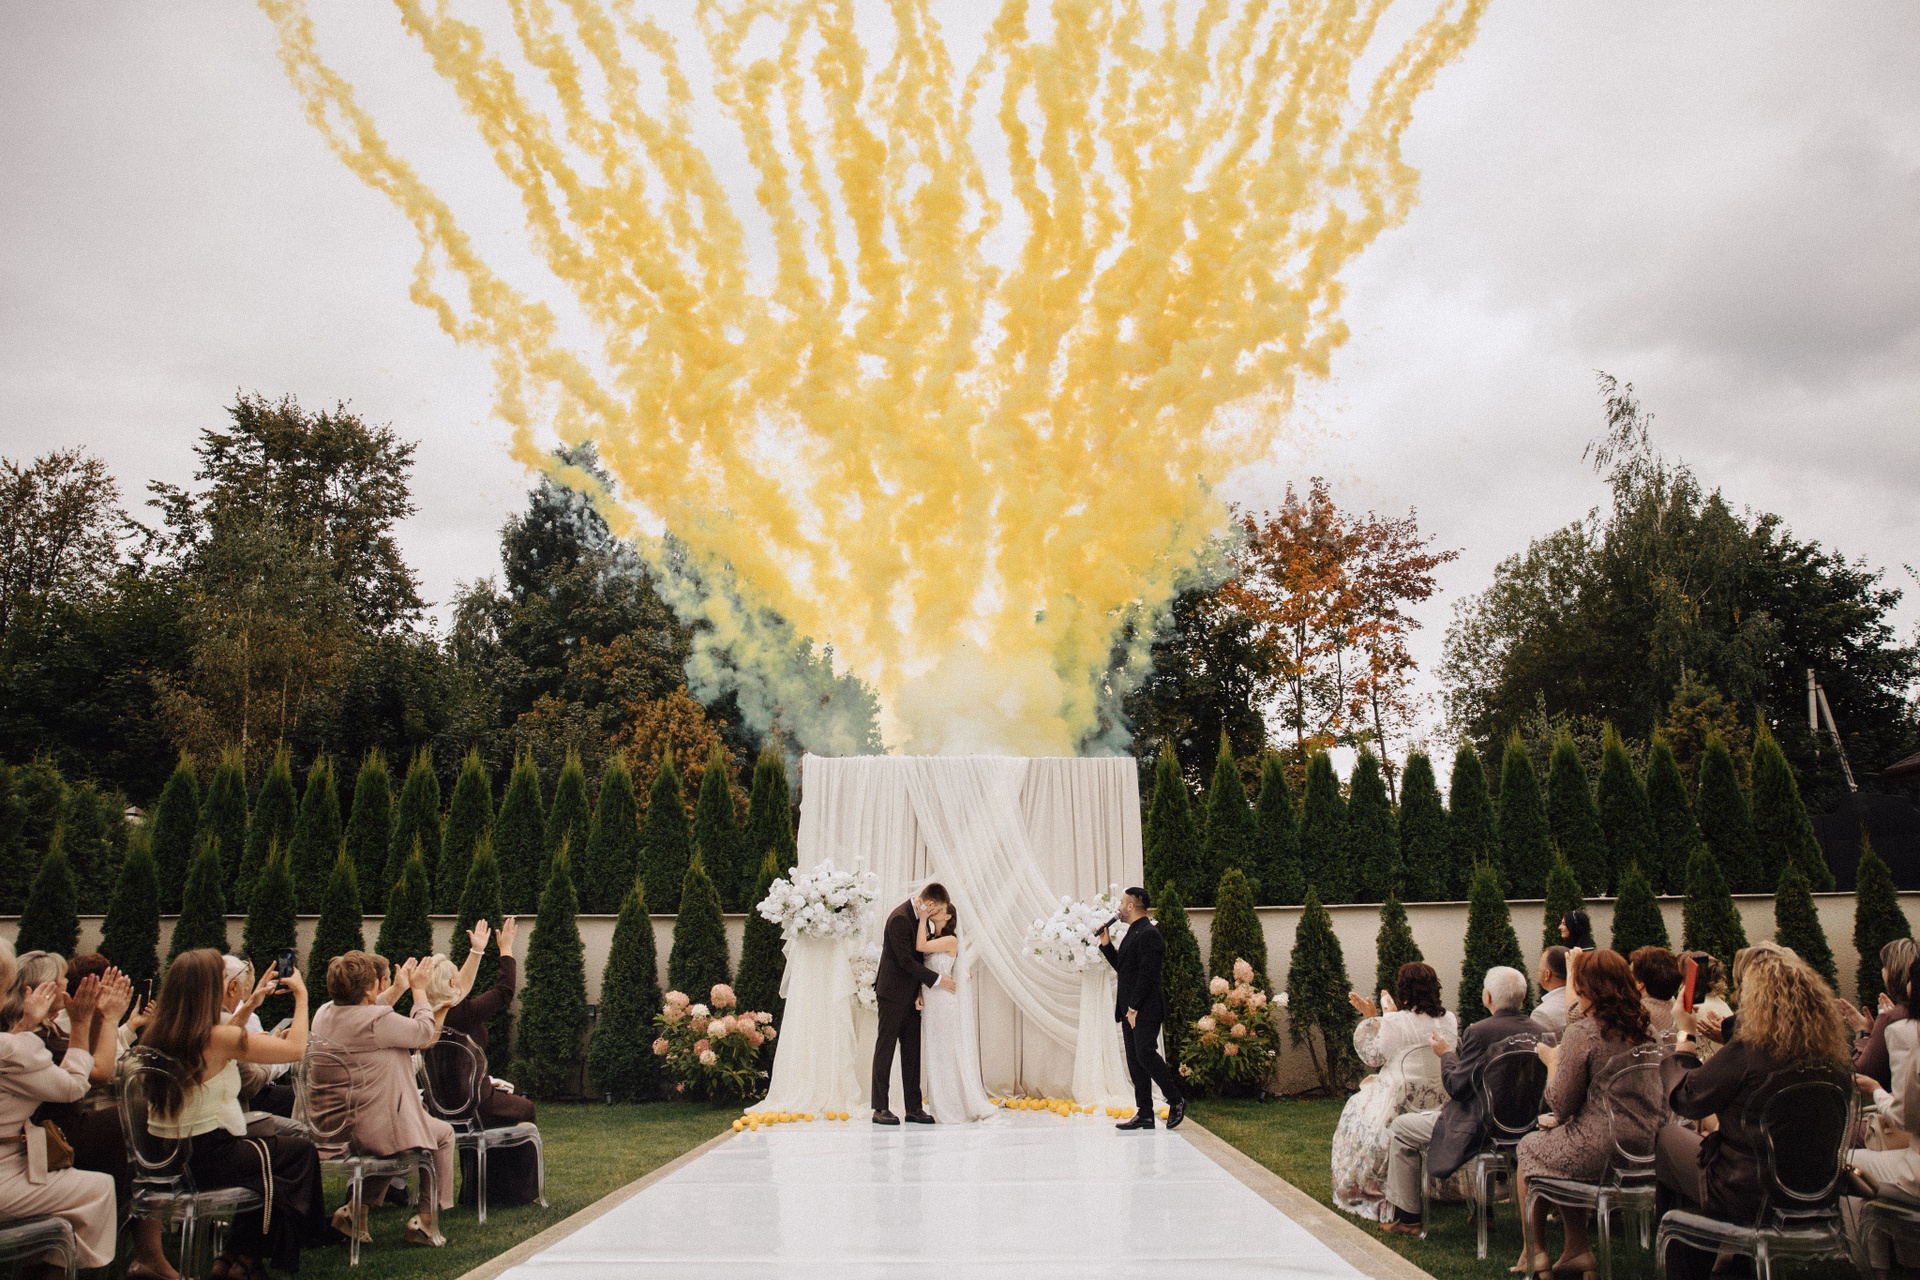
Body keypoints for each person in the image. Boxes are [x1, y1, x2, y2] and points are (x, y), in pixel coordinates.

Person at [1656, 950, 1853, 1280]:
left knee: (1668, 1137)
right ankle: (1730, 1262)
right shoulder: (1832, 1055)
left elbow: (1687, 1099)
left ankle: (1692, 1265)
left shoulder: (1750, 1050)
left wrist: (1685, 1032)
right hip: (1817, 1187)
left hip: (1749, 1191)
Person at [142, 948, 327, 1279]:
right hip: (208, 1157)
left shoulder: (160, 1033)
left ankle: (233, 1256)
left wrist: (251, 1004)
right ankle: (248, 1259)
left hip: (167, 1155)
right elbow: (295, 1049)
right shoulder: (215, 1037)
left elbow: (221, 1043)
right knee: (298, 1155)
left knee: (271, 1155)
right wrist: (302, 996)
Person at [1516, 948, 1664, 1280]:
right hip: (1648, 1147)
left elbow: (1560, 1103)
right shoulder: (1649, 1032)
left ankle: (1534, 1252)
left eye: (1579, 985)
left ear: (1590, 989)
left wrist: (1552, 1063)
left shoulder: (1582, 1033)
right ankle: (1576, 1252)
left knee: (1528, 1147)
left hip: (1602, 1149)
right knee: (1563, 1139)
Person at [1380, 966, 1548, 1236]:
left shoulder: (1479, 1032)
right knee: (1490, 1112)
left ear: (1487, 997)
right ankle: (1484, 1211)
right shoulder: (1542, 1032)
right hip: (1522, 1129)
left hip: (1478, 1131)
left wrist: (1446, 1053)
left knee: (1401, 1128)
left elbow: (1457, 1087)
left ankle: (1409, 1218)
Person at [309, 951, 455, 1246]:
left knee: (399, 1137)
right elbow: (423, 1033)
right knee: (439, 1134)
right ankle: (426, 1219)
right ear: (368, 990)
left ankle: (355, 1214)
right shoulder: (377, 1022)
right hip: (369, 1129)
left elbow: (368, 1010)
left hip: (330, 1128)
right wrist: (418, 990)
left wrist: (398, 988)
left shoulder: (323, 1013)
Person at [0, 938, 126, 1274]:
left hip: (15, 1161)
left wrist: (27, 1024)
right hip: (5, 1176)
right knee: (100, 1188)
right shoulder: (19, 1046)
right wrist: (83, 1022)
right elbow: (74, 1087)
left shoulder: (16, 1040)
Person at [1332, 962, 1460, 1221]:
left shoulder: (1396, 1021)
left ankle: (1362, 1179)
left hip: (1399, 1105)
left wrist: (1372, 1019)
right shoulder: (1449, 1019)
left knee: (1354, 1106)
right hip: (1439, 1102)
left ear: (1404, 991)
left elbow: (1374, 1057)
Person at [1845, 961, 1920, 1279]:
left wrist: (1875, 1091)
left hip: (1916, 1172)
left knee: (1845, 1165)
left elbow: (1905, 1118)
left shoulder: (1905, 1032)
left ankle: (1865, 1270)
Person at [1097, 886, 1186, 1132]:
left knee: (1145, 1053)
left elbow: (1148, 974)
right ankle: (1145, 1113)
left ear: (1131, 906)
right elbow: (1125, 969)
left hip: (1145, 1008)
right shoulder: (1133, 932)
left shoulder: (1149, 934)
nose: (1118, 908)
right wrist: (1107, 946)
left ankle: (1176, 1100)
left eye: (1121, 903)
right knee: (1136, 1060)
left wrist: (1134, 1007)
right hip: (1130, 1009)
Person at [870, 884, 955, 1125]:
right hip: (892, 994)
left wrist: (919, 990)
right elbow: (906, 961)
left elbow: (922, 957)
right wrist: (938, 980)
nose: (937, 915)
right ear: (930, 904)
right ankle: (880, 1108)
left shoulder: (921, 919)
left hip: (911, 996)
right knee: (885, 1048)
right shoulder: (900, 918)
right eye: (937, 910)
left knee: (912, 1052)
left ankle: (914, 1108)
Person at [435, 918, 529, 1125]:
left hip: (440, 1103)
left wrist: (476, 951)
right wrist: (506, 949)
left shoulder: (423, 1015)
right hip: (474, 1102)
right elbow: (504, 991)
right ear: (451, 984)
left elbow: (462, 986)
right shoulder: (464, 1014)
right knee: (525, 1109)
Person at [913, 899, 994, 1124]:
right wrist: (919, 992)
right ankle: (940, 1103)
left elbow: (920, 947)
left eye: (940, 910)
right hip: (930, 1001)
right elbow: (922, 968)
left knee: (946, 1053)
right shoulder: (931, 937)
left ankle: (953, 1107)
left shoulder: (950, 940)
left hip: (943, 1002)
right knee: (935, 1053)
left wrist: (922, 919)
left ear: (948, 917)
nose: (935, 911)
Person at [1840, 938, 1917, 1091]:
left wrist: (1864, 1034)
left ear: (1894, 973)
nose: (1882, 971)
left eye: (1884, 966)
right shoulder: (1900, 1015)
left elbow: (1862, 1076)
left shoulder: (1891, 1019)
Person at [1629, 946, 1683, 1038]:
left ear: (1640, 983)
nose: (1627, 976)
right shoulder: (1678, 1009)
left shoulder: (1636, 1015)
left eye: (1630, 972)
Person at [1535, 948, 1571, 1035]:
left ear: (1547, 975)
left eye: (1539, 970)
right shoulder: (1586, 1002)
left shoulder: (1542, 1014)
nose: (1537, 973)